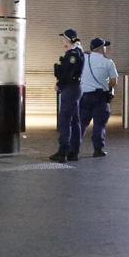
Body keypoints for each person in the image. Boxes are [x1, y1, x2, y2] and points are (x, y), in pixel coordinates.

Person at [79, 37, 120, 156]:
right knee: (99, 124)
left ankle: (73, 148)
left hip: (84, 96)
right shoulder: (108, 62)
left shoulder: (83, 58)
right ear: (102, 48)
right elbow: (114, 81)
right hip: (100, 97)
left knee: (81, 123)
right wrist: (105, 83)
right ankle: (98, 149)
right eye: (105, 46)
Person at [50, 29, 84, 162]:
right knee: (75, 120)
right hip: (75, 88)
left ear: (68, 40)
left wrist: (59, 84)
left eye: (63, 38)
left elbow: (67, 73)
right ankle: (73, 152)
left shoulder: (72, 54)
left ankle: (63, 151)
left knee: (65, 120)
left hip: (70, 89)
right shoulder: (78, 52)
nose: (62, 41)